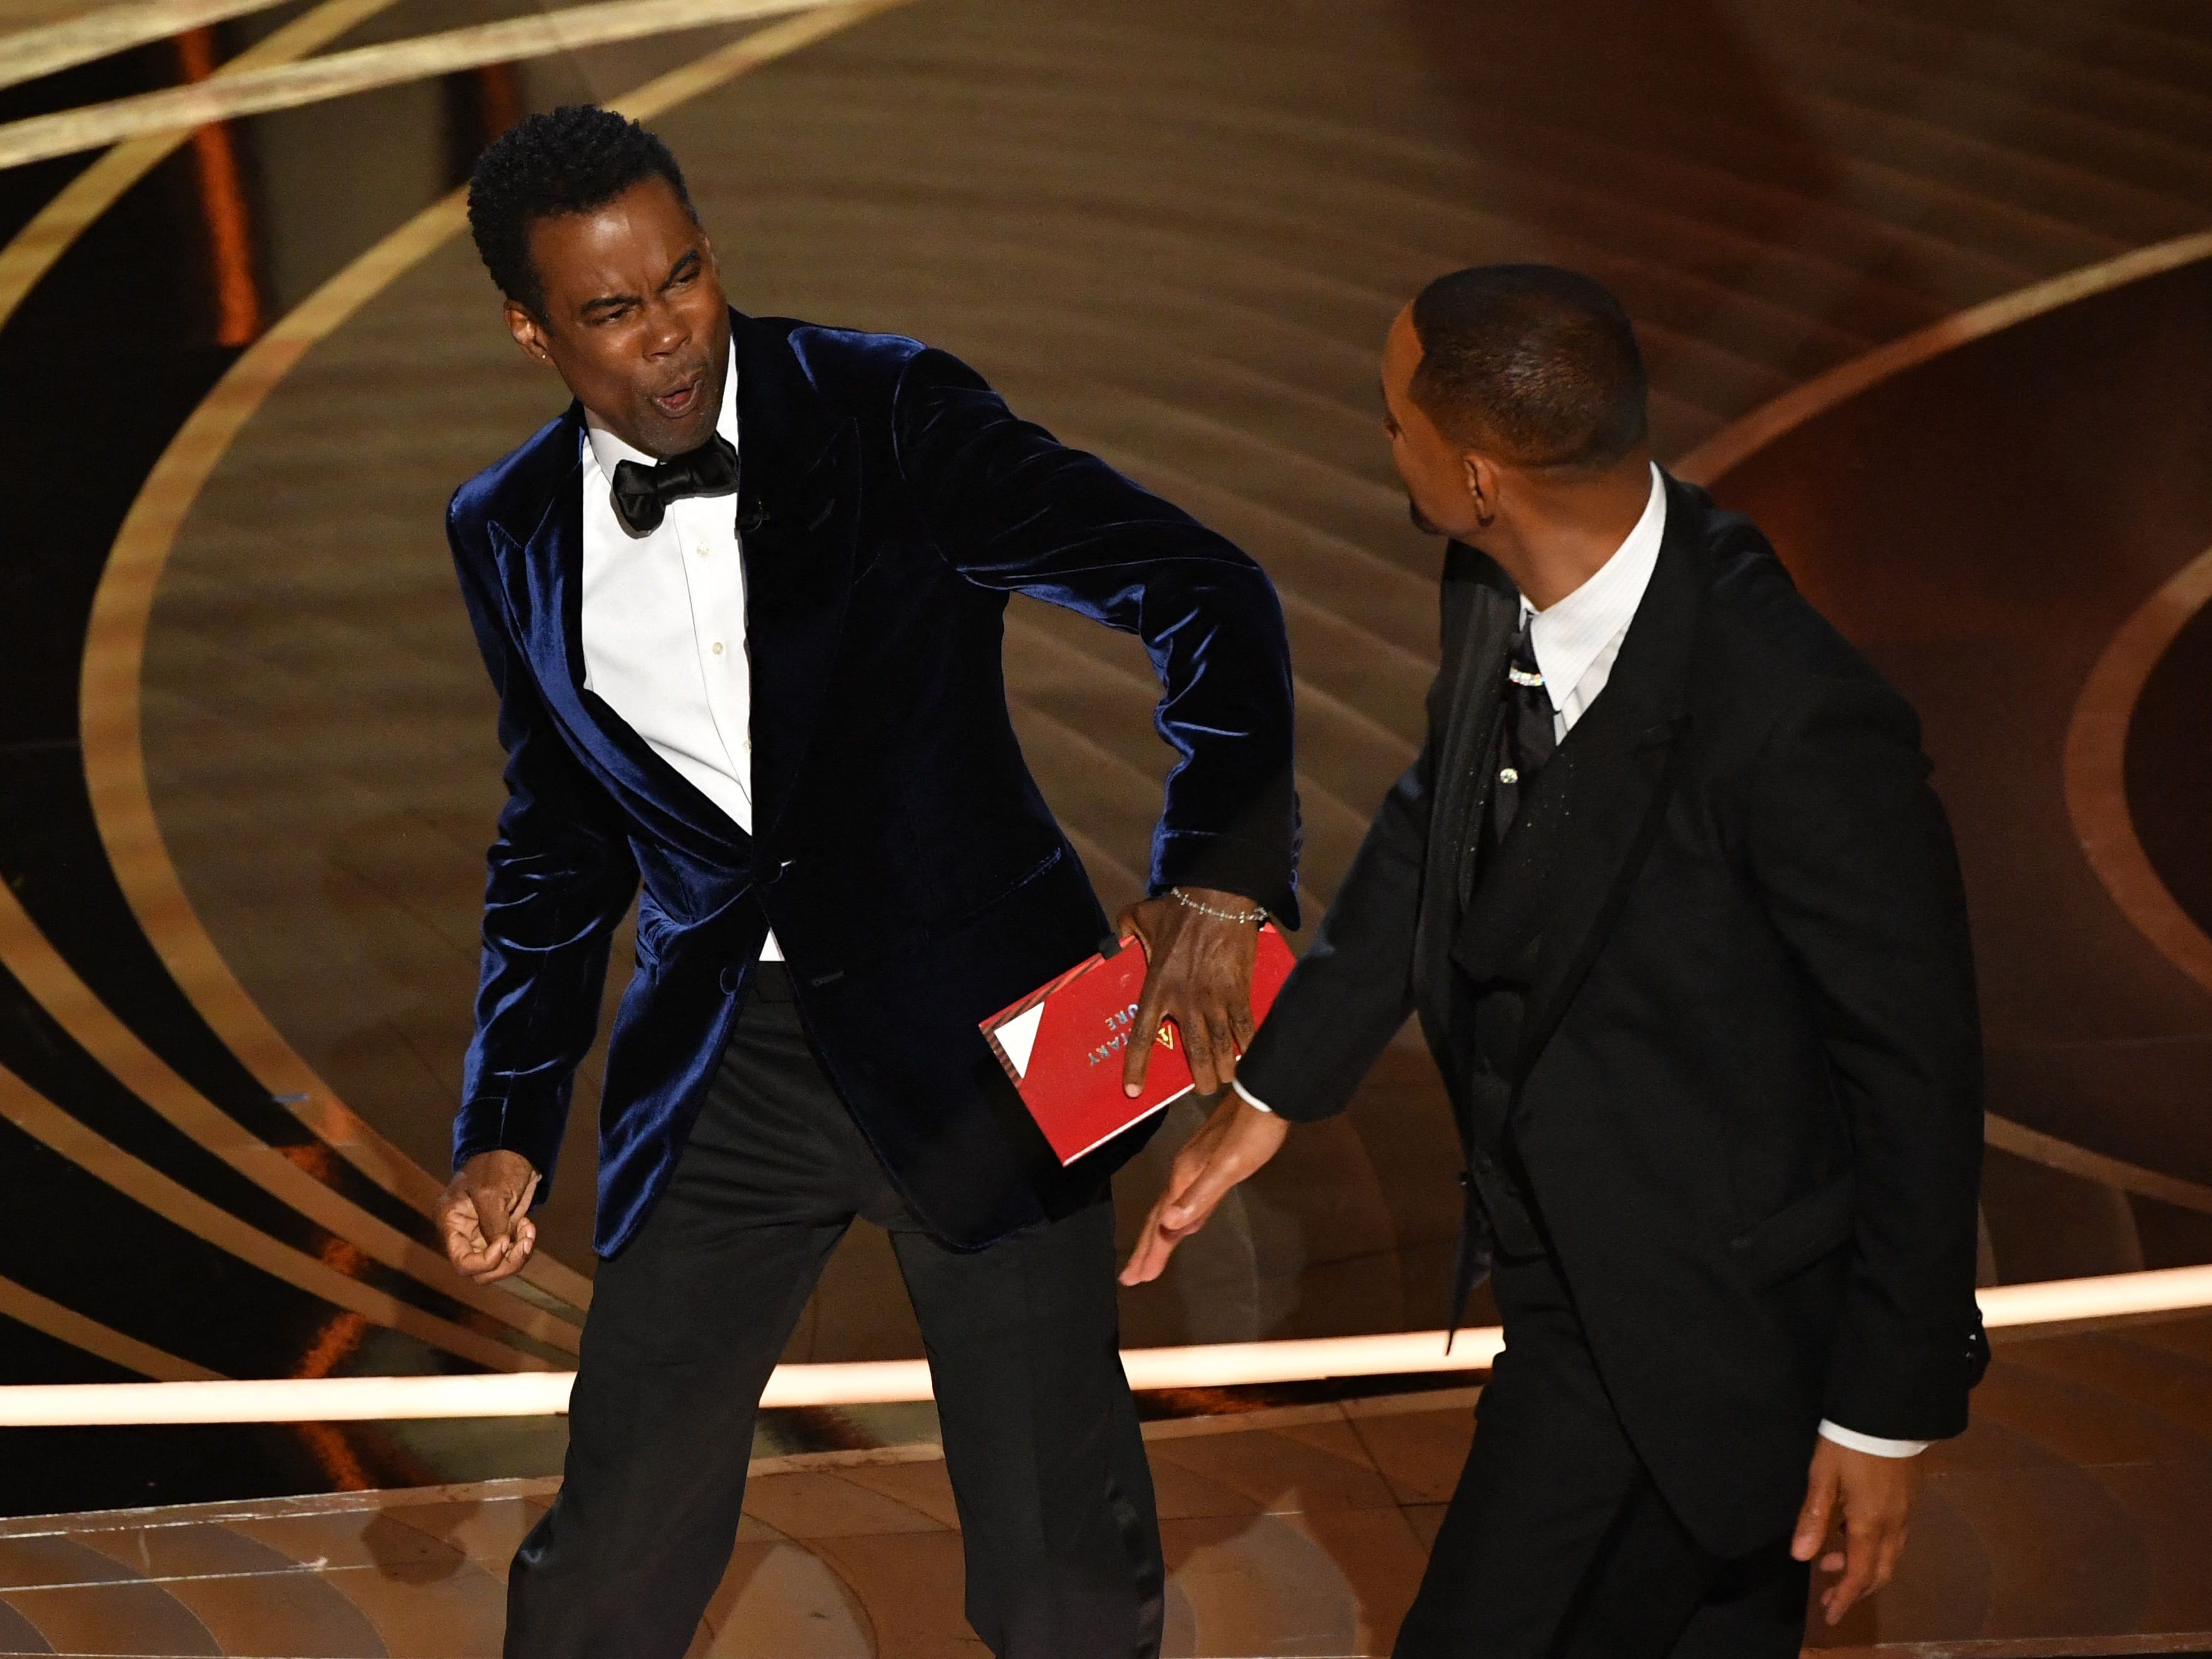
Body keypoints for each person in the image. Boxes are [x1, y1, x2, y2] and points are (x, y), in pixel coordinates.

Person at [432, 105, 1299, 1659]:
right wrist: (504, 1123)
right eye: (614, 313)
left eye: (683, 279)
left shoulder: (888, 409)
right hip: (722, 1078)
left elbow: (1203, 591)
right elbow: (557, 840)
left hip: (988, 1045)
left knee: (1057, 1573)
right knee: (606, 1565)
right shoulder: (504, 530)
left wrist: (1216, 881)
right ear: (527, 326)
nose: (671, 337)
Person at [1122, 265, 1988, 1657]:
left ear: (1475, 478)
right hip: (1567, 1276)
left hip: (1701, 1322)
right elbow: (1438, 808)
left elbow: (1917, 1074)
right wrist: (1280, 1087)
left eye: (1390, 418)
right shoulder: (1494, 576)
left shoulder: (1798, 723)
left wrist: (1883, 1414)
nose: (1379, 437)